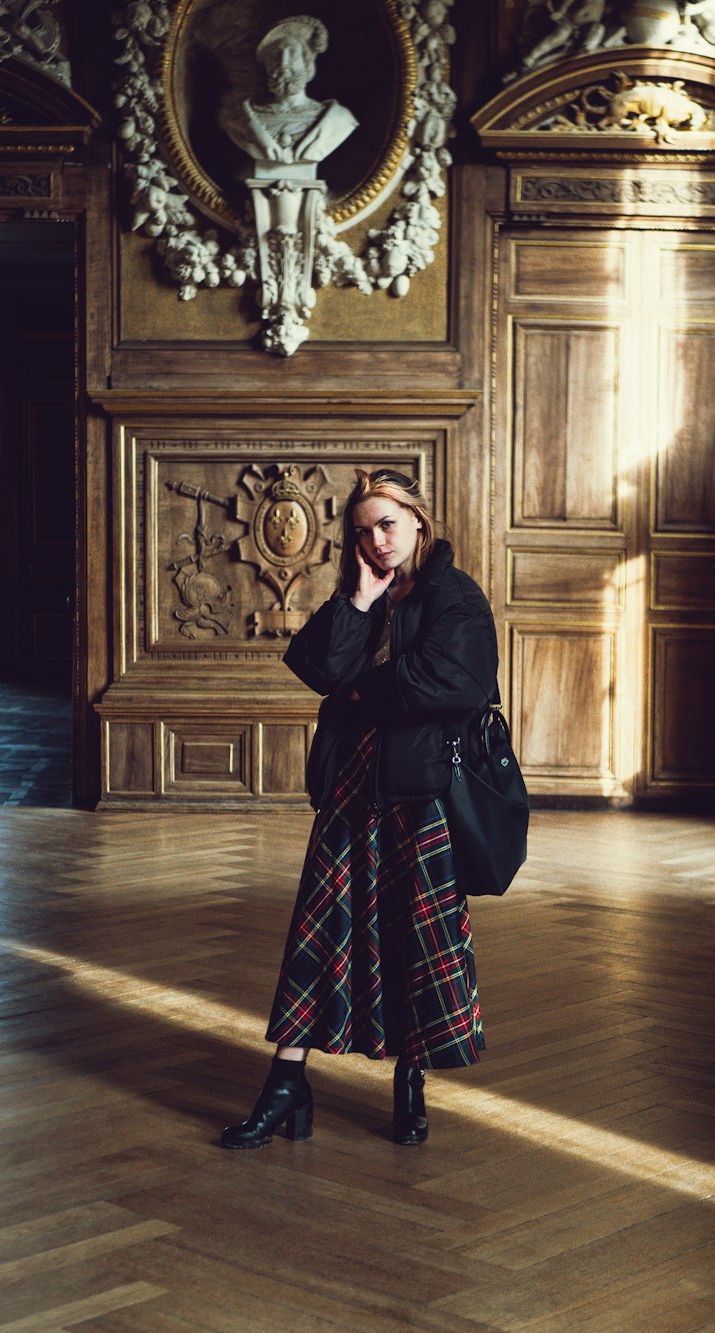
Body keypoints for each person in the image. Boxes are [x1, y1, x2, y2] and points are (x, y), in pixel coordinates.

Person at [222, 469, 499, 1149]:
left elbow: (456, 683)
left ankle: (411, 1080)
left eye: (387, 525)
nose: (376, 541)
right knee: (317, 939)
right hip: (352, 789)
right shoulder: (367, 591)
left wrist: (359, 696)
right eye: (362, 532)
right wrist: (353, 599)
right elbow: (315, 669)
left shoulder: (456, 596)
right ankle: (285, 1084)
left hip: (419, 794)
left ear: (418, 521)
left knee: (416, 941)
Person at [221, 14, 358, 170]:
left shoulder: (338, 120)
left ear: (307, 65)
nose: (283, 62)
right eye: (275, 55)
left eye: (292, 54)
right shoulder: (239, 120)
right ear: (267, 66)